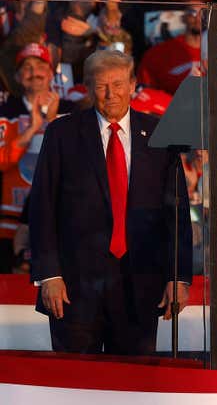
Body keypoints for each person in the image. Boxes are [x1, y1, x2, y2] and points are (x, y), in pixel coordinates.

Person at [29, 50, 192, 355]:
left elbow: (177, 212)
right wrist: (49, 275)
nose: (110, 94)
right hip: (73, 289)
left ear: (133, 85)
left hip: (140, 285)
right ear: (89, 88)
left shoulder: (160, 134)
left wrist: (178, 275)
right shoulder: (62, 134)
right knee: (75, 384)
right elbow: (42, 207)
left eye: (118, 84)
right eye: (101, 86)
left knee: (133, 386)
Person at [0, 44, 77, 273]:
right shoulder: (5, 111)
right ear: (16, 76)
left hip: (60, 218)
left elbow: (77, 163)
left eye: (41, 66)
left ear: (52, 73)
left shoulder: (71, 111)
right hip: (9, 221)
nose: (35, 72)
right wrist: (32, 128)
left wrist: (52, 123)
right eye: (27, 67)